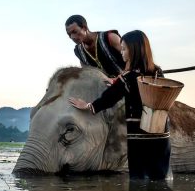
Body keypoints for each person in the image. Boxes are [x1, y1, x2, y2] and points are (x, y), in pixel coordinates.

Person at [68, 30, 170, 180]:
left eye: (124, 49)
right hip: (161, 133)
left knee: (139, 180)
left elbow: (108, 99)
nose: (121, 53)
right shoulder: (157, 72)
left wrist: (88, 105)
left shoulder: (128, 78)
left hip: (139, 136)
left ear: (134, 50)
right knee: (161, 179)